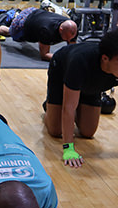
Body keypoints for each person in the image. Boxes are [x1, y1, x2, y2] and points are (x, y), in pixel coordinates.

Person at [44, 29, 118, 167]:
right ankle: (50, 105)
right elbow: (69, 108)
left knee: (88, 132)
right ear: (105, 58)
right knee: (56, 130)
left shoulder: (112, 66)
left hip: (92, 85)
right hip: (62, 72)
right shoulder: (80, 61)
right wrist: (69, 149)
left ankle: (77, 100)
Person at [0, 7, 78, 61]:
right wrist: (63, 59)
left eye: (70, 38)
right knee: (10, 33)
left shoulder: (72, 29)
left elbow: (72, 49)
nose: (68, 40)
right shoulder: (46, 30)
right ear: (61, 30)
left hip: (37, 14)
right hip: (23, 21)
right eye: (66, 38)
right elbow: (44, 55)